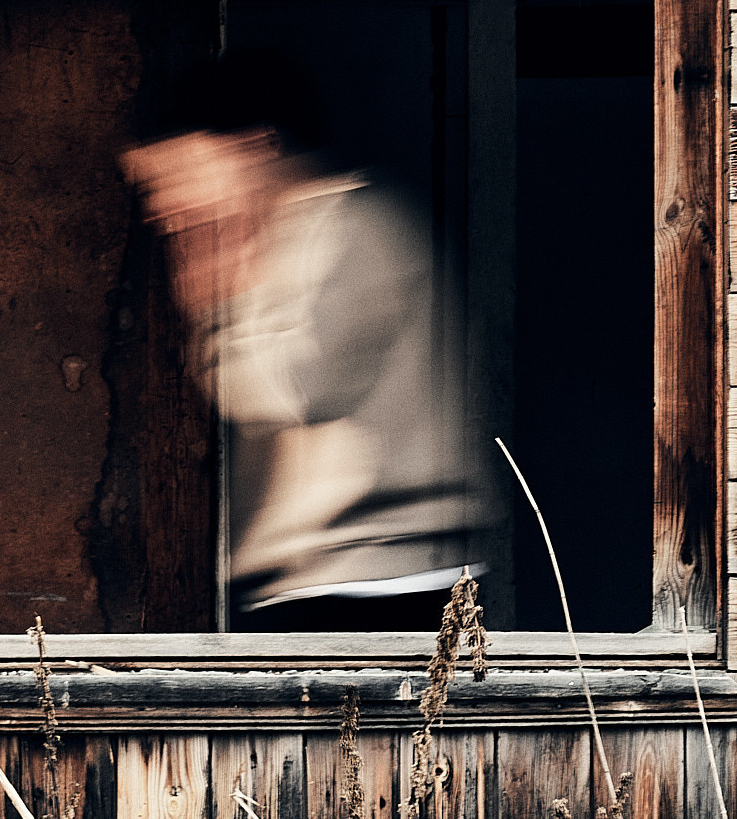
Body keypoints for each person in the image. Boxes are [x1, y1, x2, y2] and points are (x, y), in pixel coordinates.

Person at [120, 51, 505, 631]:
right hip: (321, 575)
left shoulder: (355, 227)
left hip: (386, 569)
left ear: (254, 149)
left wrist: (215, 284)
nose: (169, 207)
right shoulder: (285, 239)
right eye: (155, 191)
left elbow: (297, 389)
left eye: (185, 175)